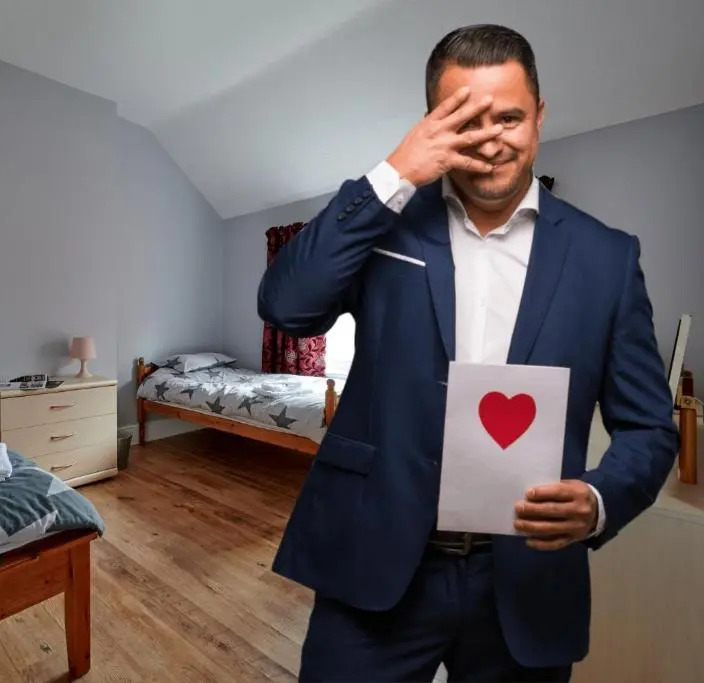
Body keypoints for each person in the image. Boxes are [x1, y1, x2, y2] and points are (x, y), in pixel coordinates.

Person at [257, 24, 678, 683]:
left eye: (509, 117)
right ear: (432, 122)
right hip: (374, 559)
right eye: (466, 120)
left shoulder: (607, 258)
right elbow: (286, 305)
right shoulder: (386, 224)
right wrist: (395, 173)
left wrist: (599, 499)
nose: (490, 139)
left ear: (539, 116)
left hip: (528, 580)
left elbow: (650, 426)